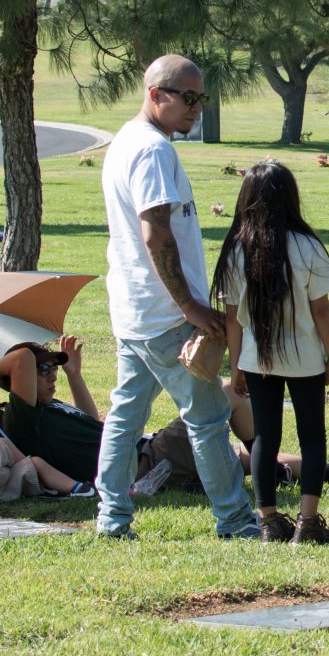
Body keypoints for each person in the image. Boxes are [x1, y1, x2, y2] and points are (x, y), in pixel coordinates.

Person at [94, 54, 256, 540]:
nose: (196, 108)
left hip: (133, 308)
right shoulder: (151, 151)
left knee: (125, 414)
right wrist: (189, 306)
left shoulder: (127, 140)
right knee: (207, 418)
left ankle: (111, 518)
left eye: (201, 98)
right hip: (165, 312)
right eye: (187, 98)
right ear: (155, 95)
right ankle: (235, 521)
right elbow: (156, 234)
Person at [213, 161, 329, 544]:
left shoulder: (237, 249)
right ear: (290, 196)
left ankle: (268, 520)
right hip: (304, 358)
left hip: (257, 359)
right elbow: (321, 309)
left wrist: (235, 363)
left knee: (265, 438)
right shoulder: (308, 246)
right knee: (312, 437)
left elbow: (233, 318)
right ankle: (307, 522)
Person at [131, 379, 329, 497]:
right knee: (225, 391)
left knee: (242, 456)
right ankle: (268, 468)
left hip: (145, 453)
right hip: (145, 464)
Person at [0, 336, 104, 484]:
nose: (53, 376)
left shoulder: (50, 403)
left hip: (132, 449)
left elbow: (90, 422)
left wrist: (74, 376)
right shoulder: (23, 418)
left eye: (54, 367)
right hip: (130, 465)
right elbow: (22, 357)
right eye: (44, 369)